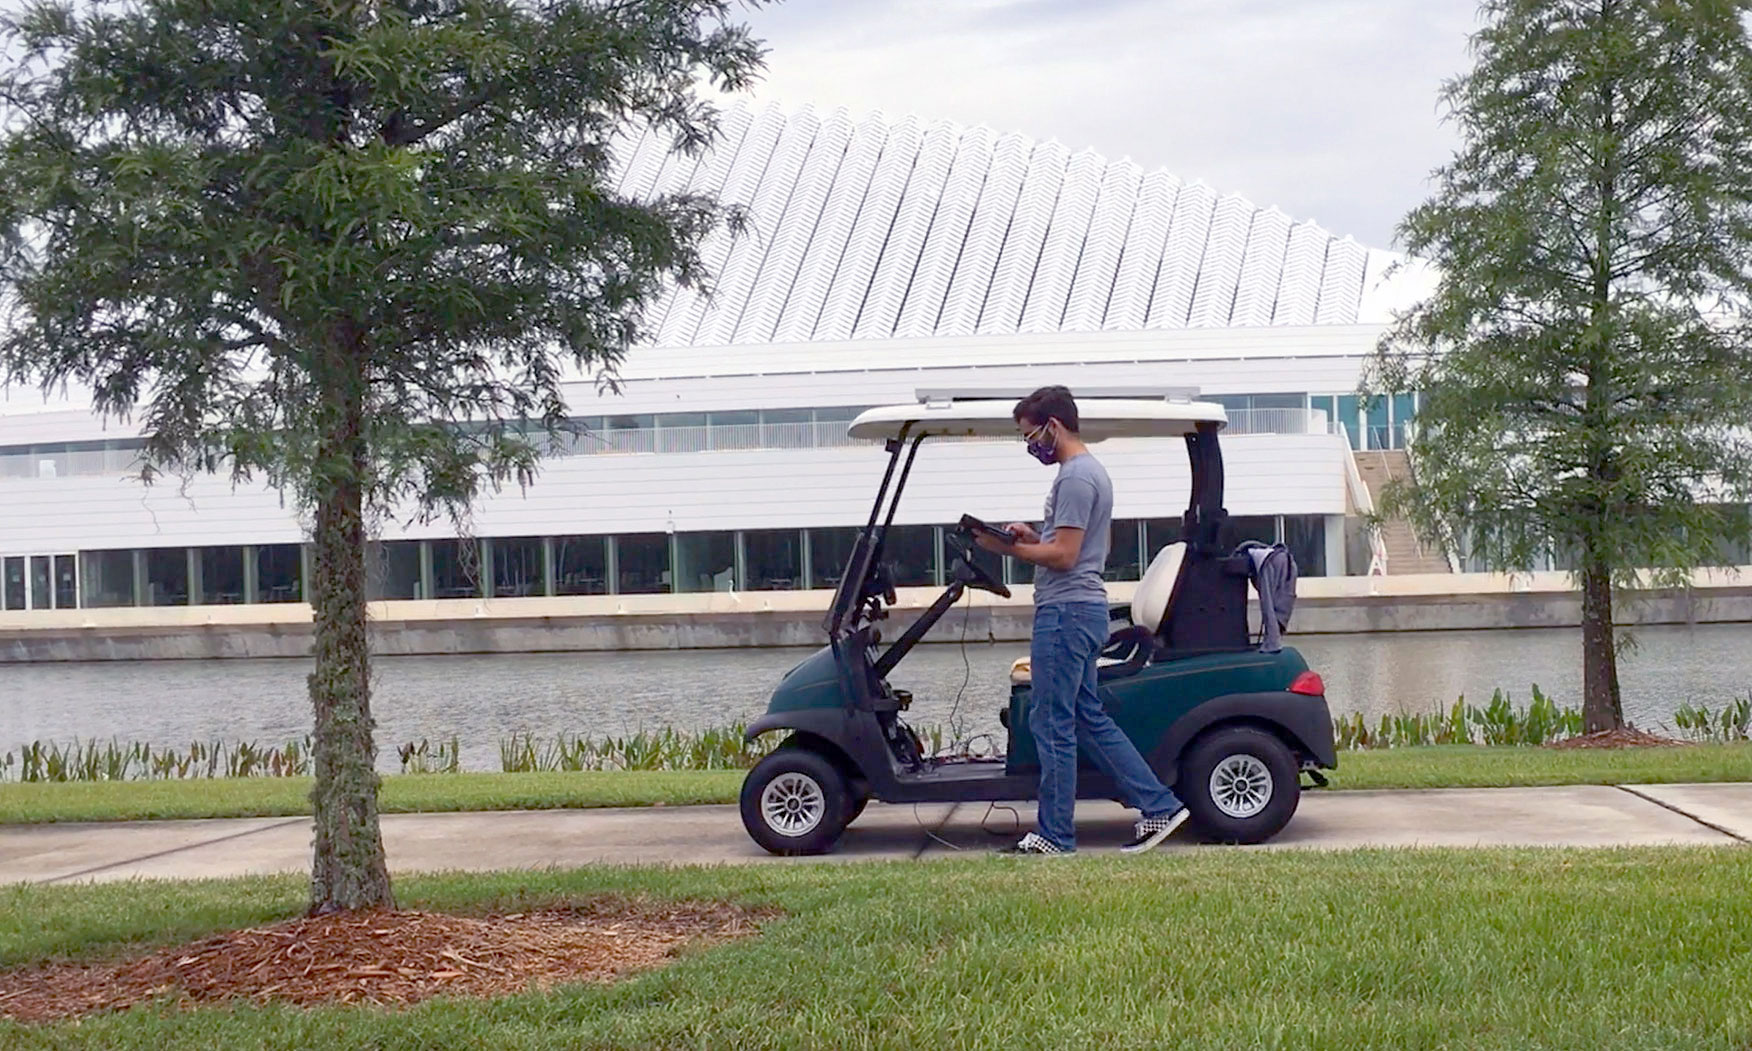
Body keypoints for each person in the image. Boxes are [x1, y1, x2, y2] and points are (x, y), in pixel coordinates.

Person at [975, 385, 1190, 856]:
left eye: (1031, 436)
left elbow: (1065, 556)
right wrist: (1034, 534)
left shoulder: (1075, 478)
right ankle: (1159, 805)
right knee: (1086, 717)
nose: (1031, 447)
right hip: (1082, 609)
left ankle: (1055, 834)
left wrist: (1004, 547)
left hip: (1066, 613)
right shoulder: (1091, 473)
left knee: (1049, 722)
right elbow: (1074, 544)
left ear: (1053, 426)